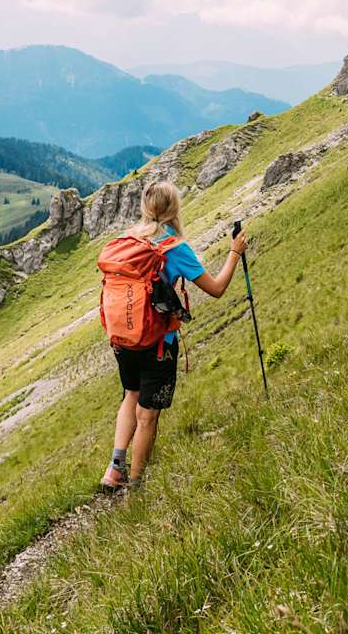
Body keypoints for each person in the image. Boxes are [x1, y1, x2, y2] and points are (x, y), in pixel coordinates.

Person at [101, 182, 248, 490]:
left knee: (130, 395)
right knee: (148, 416)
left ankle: (114, 470)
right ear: (174, 209)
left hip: (122, 339)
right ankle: (136, 488)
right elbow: (217, 288)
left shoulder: (127, 240)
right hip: (158, 343)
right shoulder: (174, 247)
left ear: (145, 207)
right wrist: (235, 252)